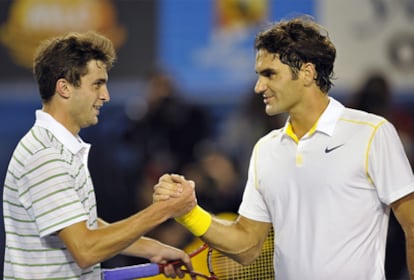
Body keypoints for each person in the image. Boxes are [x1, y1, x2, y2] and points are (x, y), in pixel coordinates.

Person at [155, 16, 414, 280]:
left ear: (307, 72)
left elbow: (412, 224)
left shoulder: (371, 133)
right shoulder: (266, 150)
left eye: (269, 74)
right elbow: (246, 246)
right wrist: (189, 213)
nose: (259, 86)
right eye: (259, 75)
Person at [2, 31, 197, 279]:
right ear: (64, 88)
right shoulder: (46, 157)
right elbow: (86, 249)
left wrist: (152, 248)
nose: (106, 96)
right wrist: (164, 210)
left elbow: (85, 225)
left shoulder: (61, 148)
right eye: (97, 84)